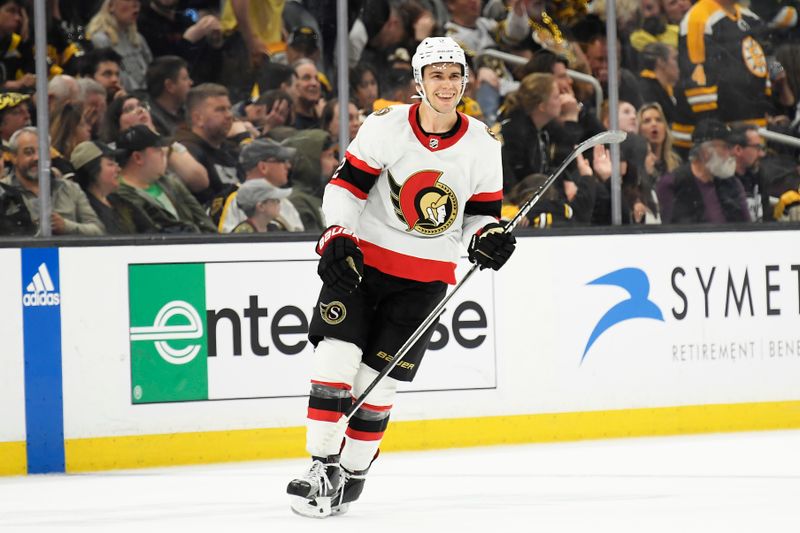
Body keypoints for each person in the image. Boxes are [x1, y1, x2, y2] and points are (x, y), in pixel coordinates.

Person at [286, 36, 516, 519]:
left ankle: (352, 467)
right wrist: (336, 233)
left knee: (379, 382)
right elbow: (346, 186)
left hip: (424, 277)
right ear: (419, 82)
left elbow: (479, 216)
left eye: (455, 76)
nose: (447, 85)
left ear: (465, 81)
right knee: (336, 358)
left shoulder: (482, 145)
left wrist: (488, 237)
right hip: (360, 265)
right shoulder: (386, 126)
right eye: (437, 76)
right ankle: (320, 465)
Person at [671, 0, 772, 152]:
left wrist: (770, 94)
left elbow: (767, 58)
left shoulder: (751, 18)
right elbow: (696, 69)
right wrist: (708, 120)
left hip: (752, 121)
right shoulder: (698, 17)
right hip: (715, 128)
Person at [1, 127, 104, 235]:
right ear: (14, 157)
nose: (37, 158)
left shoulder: (71, 189)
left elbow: (99, 231)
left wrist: (66, 226)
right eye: (29, 152)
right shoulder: (2, 191)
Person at [114, 124, 217, 233]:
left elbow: (203, 220)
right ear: (138, 158)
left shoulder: (171, 183)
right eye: (157, 148)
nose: (164, 152)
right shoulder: (121, 194)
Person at [656, 119, 750, 224]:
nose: (731, 153)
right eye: (726, 147)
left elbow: (746, 227)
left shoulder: (732, 184)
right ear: (706, 152)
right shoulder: (672, 184)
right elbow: (670, 232)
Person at [214, 138, 302, 233]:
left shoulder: (284, 201)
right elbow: (227, 243)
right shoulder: (234, 200)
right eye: (282, 160)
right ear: (263, 167)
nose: (288, 166)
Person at [86, 0, 154, 93]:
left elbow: (152, 72)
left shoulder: (138, 39)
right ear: (111, 6)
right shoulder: (100, 40)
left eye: (138, 1)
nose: (135, 4)